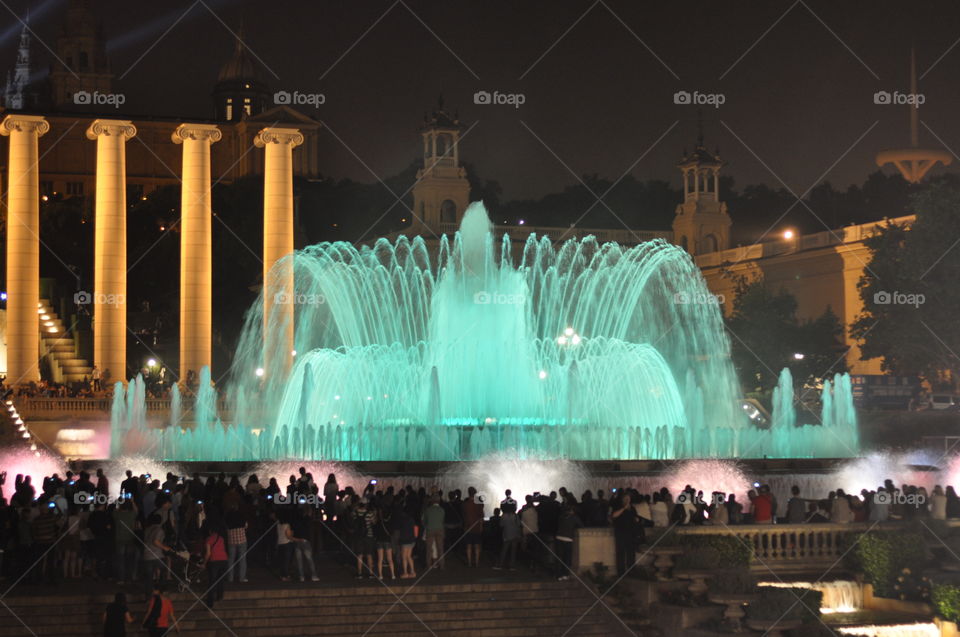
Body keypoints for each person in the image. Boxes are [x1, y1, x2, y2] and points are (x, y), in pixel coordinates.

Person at [610, 492, 638, 575]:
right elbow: (614, 516)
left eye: (628, 499)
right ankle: (621, 572)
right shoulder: (617, 506)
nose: (627, 500)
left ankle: (631, 571)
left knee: (631, 552)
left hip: (630, 532)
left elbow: (634, 517)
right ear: (622, 500)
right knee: (620, 552)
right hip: (620, 532)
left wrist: (636, 520)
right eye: (626, 499)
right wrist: (624, 508)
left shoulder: (632, 508)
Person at [555, 504, 582, 581]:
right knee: (567, 558)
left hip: (559, 537)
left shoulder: (561, 517)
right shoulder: (574, 518)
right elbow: (581, 525)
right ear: (572, 511)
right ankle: (565, 574)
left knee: (559, 557)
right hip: (568, 539)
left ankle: (558, 575)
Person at [461, 487, 484, 568]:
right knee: (477, 545)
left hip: (468, 527)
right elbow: (481, 516)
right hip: (476, 527)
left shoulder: (465, 504)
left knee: (468, 545)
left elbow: (463, 515)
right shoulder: (479, 504)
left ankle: (470, 562)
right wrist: (481, 526)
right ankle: (477, 562)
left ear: (468, 493)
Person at [225, 507, 248, 583]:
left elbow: (226, 527)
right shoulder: (241, 516)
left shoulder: (228, 517)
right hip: (242, 540)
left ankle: (230, 578)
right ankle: (242, 578)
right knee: (242, 559)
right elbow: (246, 526)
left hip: (231, 541)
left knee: (231, 560)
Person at [423, 495, 446, 571]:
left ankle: (428, 565)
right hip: (439, 529)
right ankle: (441, 565)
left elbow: (424, 520)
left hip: (430, 529)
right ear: (439, 501)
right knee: (440, 548)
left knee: (429, 548)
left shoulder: (428, 510)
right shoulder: (442, 510)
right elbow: (442, 520)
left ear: (431, 501)